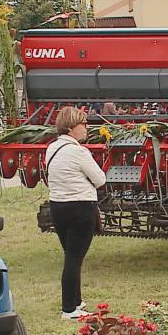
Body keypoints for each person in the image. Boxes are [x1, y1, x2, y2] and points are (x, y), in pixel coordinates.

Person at [46, 107, 106, 319]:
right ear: (71, 128)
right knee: (74, 259)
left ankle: (76, 302)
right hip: (80, 208)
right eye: (83, 124)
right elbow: (100, 179)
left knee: (71, 256)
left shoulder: (51, 149)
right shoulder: (79, 152)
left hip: (58, 206)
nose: (86, 128)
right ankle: (69, 309)